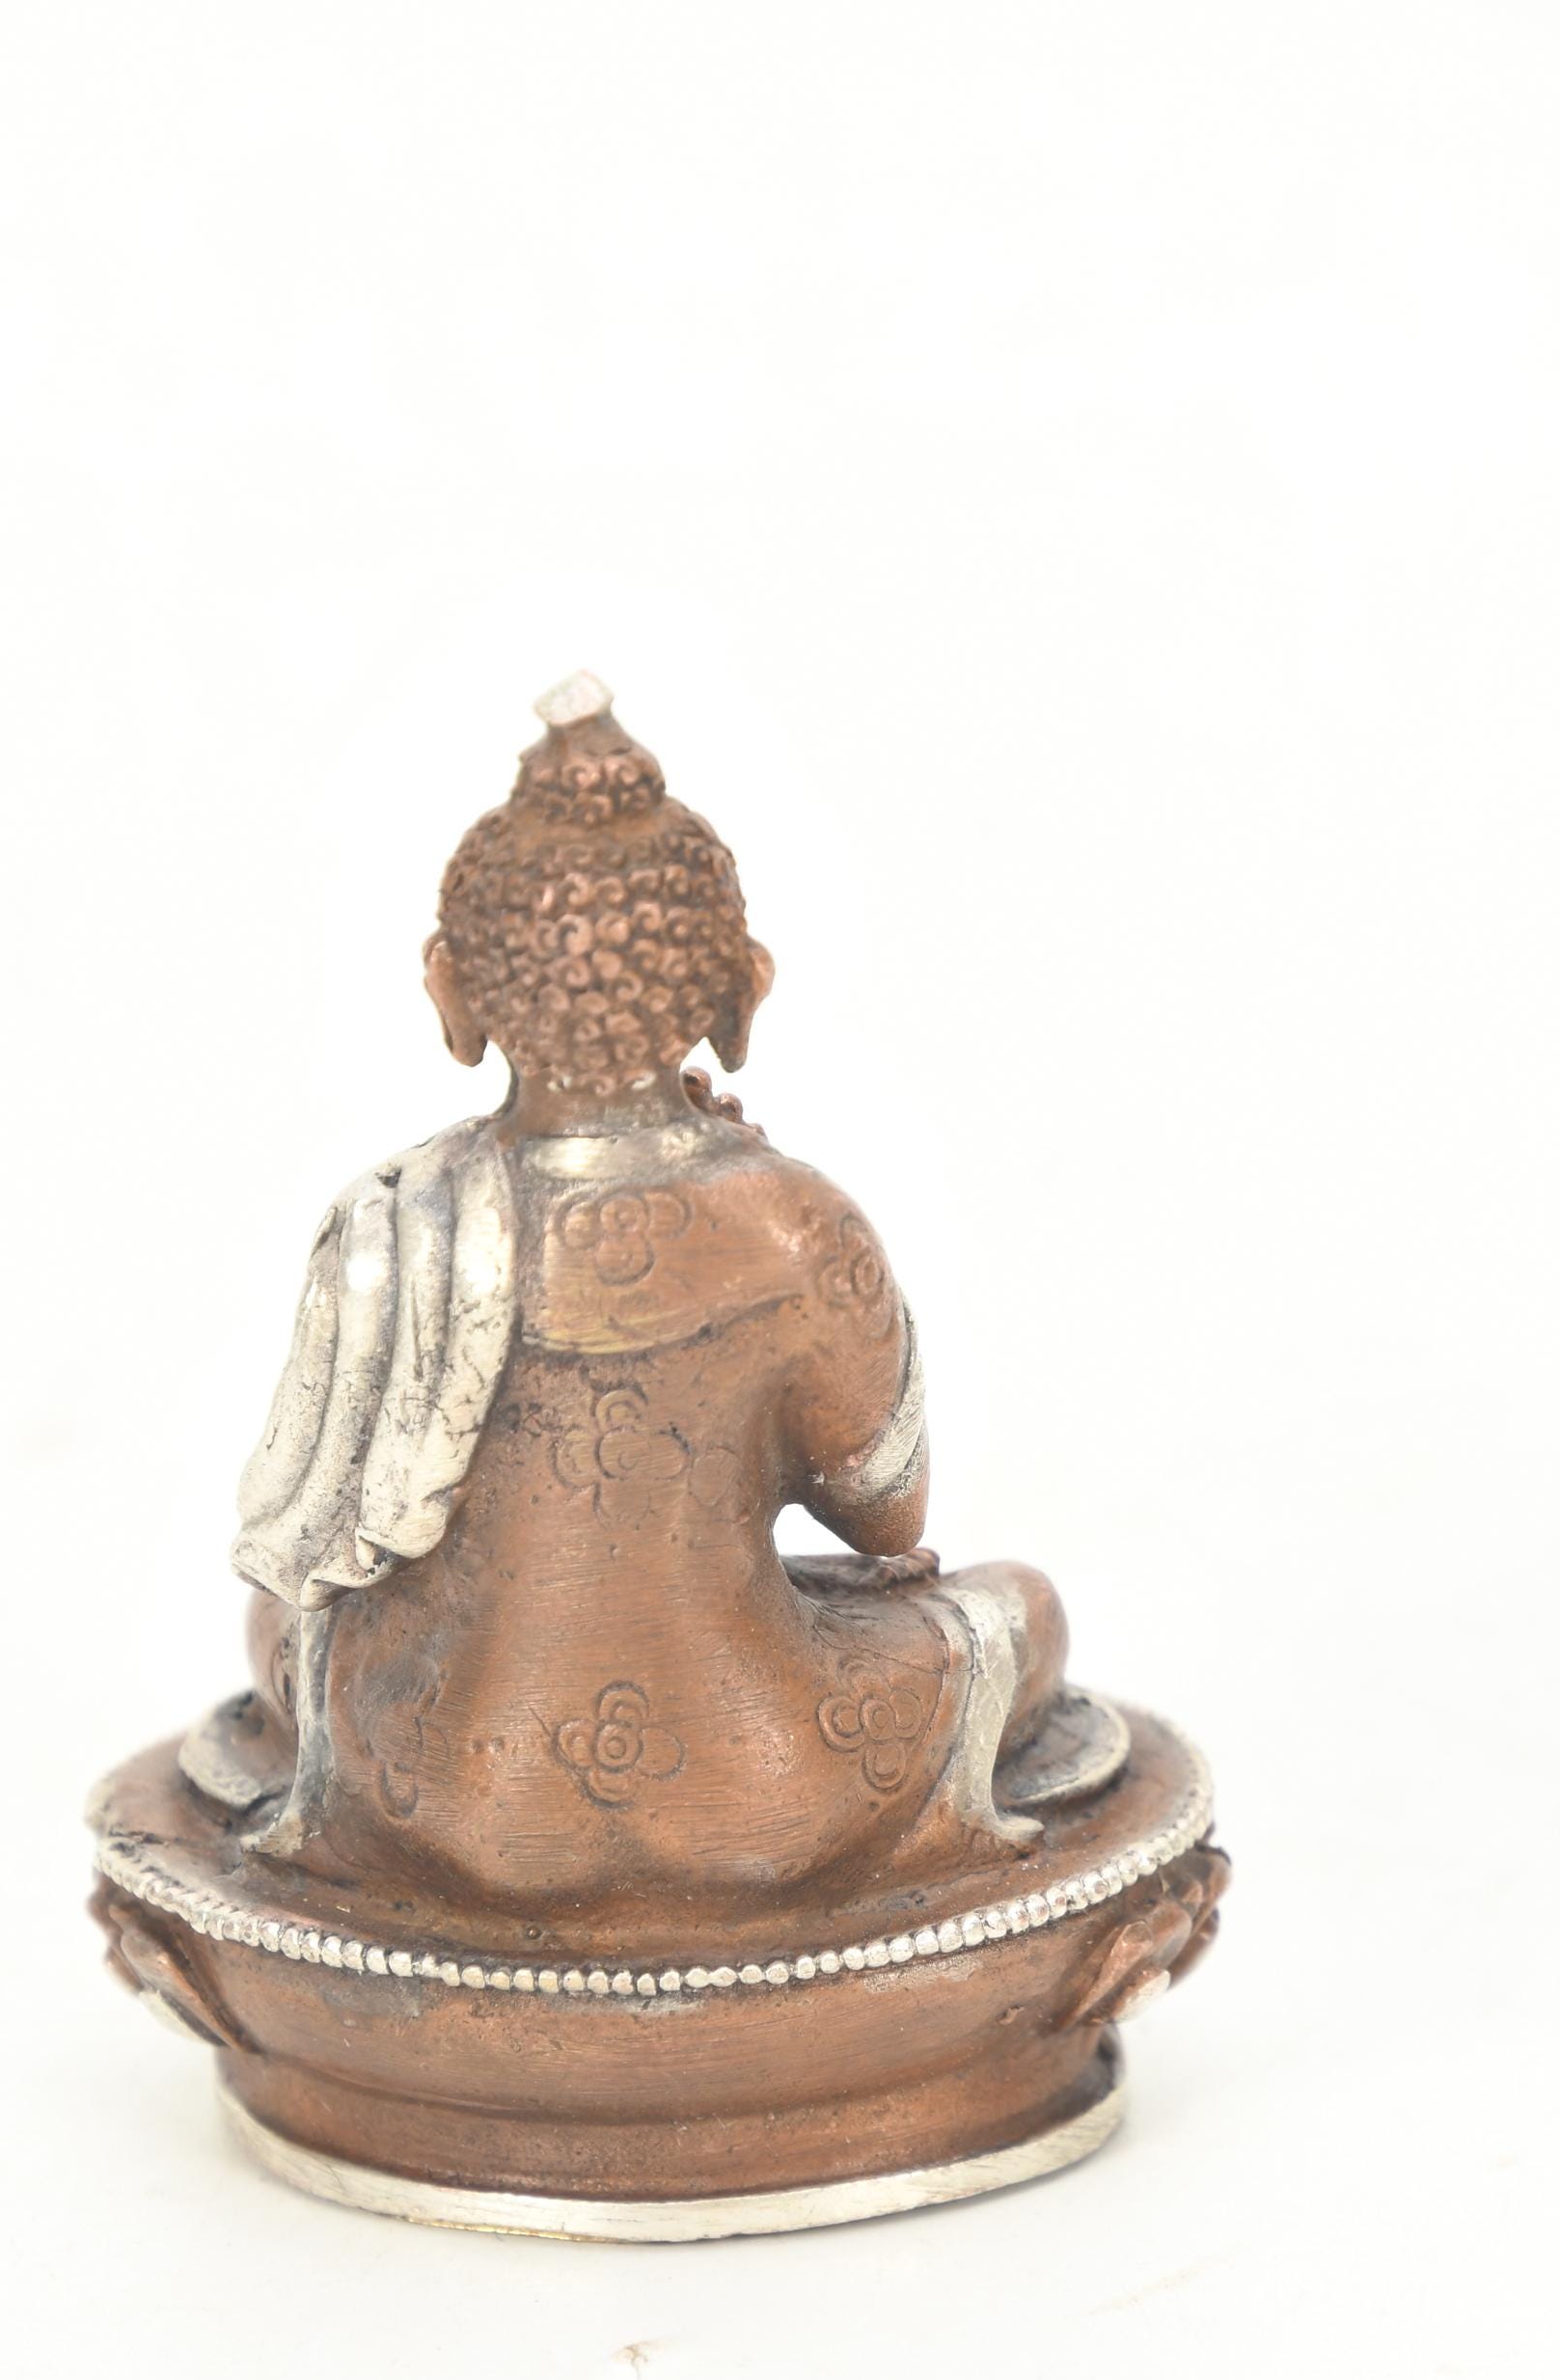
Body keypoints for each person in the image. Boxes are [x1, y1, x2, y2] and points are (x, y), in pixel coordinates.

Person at [222, 678, 1098, 1930]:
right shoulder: (795, 1223)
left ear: (452, 991)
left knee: (278, 1624)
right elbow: (887, 1517)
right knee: (1024, 1610)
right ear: (742, 988)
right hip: (766, 1778)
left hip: (440, 1791)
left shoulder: (396, 1220)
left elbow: (323, 1554)